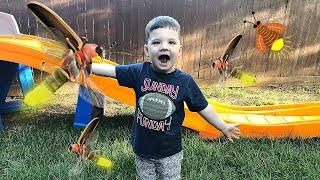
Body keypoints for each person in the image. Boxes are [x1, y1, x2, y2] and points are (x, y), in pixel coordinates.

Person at [70, 16, 240, 180]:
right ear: (147, 49)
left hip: (170, 151)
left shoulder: (185, 81)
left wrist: (223, 127)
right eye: (156, 42)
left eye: (171, 42)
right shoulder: (140, 72)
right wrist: (87, 67)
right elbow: (113, 71)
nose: (164, 47)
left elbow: (203, 107)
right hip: (142, 149)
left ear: (179, 50)